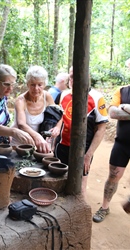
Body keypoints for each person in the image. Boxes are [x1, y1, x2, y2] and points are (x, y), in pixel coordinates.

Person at [55, 67, 108, 197]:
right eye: (72, 76)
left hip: (83, 150)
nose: (75, 79)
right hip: (61, 146)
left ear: (87, 77)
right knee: (58, 182)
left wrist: (88, 155)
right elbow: (58, 120)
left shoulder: (97, 98)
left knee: (80, 186)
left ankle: (79, 214)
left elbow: (101, 129)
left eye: (79, 75)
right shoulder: (63, 95)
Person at [92, 69, 130, 222]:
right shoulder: (121, 91)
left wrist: (126, 108)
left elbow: (119, 111)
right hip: (122, 144)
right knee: (113, 177)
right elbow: (113, 113)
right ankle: (104, 207)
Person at [11, 65, 62, 153]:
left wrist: (57, 127)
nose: (36, 88)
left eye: (40, 85)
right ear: (27, 84)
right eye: (32, 85)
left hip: (37, 144)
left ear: (44, 84)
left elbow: (59, 114)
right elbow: (21, 124)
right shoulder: (21, 101)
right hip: (19, 144)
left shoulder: (47, 97)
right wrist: (38, 136)